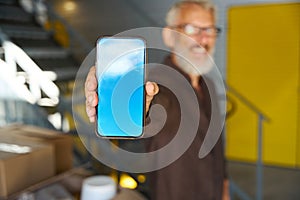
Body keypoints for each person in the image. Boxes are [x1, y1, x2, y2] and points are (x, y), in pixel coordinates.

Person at [85, 0, 230, 199]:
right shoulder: (158, 83)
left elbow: (217, 147)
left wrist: (224, 188)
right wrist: (125, 103)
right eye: (191, 28)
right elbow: (148, 110)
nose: (203, 38)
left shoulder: (210, 85)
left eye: (209, 29)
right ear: (170, 36)